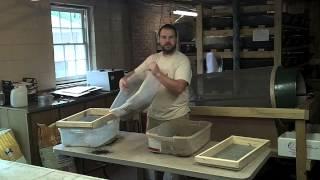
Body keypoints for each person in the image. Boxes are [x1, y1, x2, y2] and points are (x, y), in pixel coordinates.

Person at [119, 24, 192, 131]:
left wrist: (157, 73)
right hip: (153, 118)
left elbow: (179, 88)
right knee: (152, 147)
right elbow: (135, 72)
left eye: (171, 37)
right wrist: (124, 79)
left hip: (176, 117)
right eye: (164, 37)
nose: (167, 41)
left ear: (176, 39)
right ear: (159, 39)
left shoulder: (182, 60)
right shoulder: (152, 58)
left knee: (176, 147)